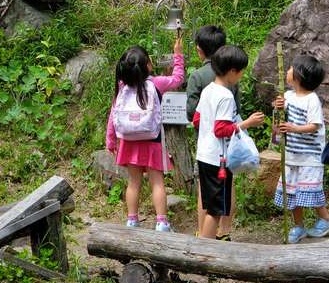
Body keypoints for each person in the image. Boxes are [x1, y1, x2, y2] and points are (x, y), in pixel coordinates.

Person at [106, 38, 184, 232]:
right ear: (148, 65)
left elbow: (113, 115)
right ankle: (162, 222)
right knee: (157, 182)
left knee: (133, 182)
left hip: (128, 141)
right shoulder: (156, 83)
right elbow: (178, 79)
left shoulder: (122, 88)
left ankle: (132, 220)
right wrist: (178, 55)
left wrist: (111, 141)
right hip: (152, 140)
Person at [192, 45, 264, 239]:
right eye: (241, 72)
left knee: (211, 206)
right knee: (215, 212)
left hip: (204, 155)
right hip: (218, 160)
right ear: (232, 71)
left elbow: (197, 120)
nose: (241, 76)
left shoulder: (209, 90)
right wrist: (247, 123)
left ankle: (205, 249)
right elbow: (220, 130)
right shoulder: (225, 96)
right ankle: (205, 253)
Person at [186, 25, 240, 240]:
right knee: (225, 189)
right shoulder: (230, 80)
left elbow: (193, 114)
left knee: (206, 192)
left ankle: (202, 232)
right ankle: (224, 232)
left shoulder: (198, 77)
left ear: (200, 50)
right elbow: (234, 115)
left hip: (205, 146)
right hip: (223, 150)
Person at [273, 54, 329, 243]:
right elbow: (278, 119)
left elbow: (314, 125)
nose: (287, 71)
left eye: (291, 68)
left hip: (309, 157)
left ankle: (326, 219)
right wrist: (277, 107)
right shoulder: (288, 96)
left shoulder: (312, 100)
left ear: (298, 75)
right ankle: (298, 226)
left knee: (310, 192)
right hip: (291, 155)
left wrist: (294, 128)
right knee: (291, 192)